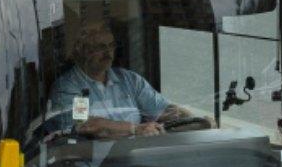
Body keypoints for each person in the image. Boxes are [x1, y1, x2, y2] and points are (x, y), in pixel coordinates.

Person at [46, 18, 205, 140]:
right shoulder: (67, 87)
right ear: (82, 50)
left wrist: (195, 119)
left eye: (111, 46)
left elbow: (165, 110)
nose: (108, 52)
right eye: (101, 47)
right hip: (89, 166)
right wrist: (135, 129)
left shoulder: (129, 80)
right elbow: (85, 125)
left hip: (135, 157)